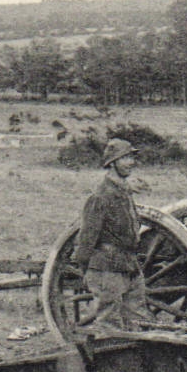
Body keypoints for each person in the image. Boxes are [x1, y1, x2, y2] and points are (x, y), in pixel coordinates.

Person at [72, 138, 148, 335]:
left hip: (129, 264)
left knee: (138, 319)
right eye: (125, 158)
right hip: (108, 268)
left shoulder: (124, 192)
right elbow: (87, 236)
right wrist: (85, 268)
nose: (131, 162)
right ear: (112, 163)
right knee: (109, 322)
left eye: (132, 157)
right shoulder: (101, 196)